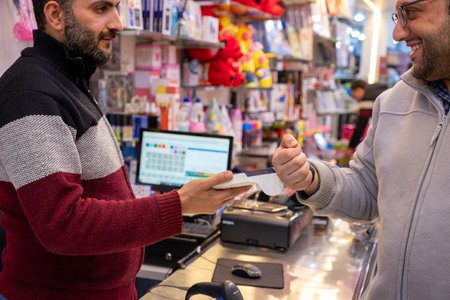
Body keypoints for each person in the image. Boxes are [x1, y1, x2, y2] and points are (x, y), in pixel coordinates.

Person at [0, 0, 250, 299]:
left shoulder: (68, 81)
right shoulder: (31, 93)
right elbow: (62, 225)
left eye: (117, 7)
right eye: (101, 8)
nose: (118, 23)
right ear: (55, 15)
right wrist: (180, 204)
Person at [272, 0, 450, 299]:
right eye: (396, 16)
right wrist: (311, 179)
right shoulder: (393, 103)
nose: (397, 33)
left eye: (411, 13)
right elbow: (368, 191)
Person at [348, 82, 388, 149]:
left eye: (355, 96)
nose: (356, 100)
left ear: (359, 90)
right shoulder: (378, 89)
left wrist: (350, 146)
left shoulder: (366, 98)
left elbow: (360, 126)